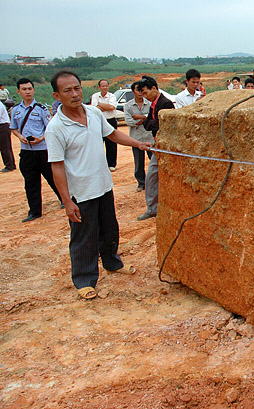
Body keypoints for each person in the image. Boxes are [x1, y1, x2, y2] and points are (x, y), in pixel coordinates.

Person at [45, 71, 151, 300]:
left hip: (103, 185)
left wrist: (138, 143)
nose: (74, 94)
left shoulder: (93, 113)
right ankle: (84, 279)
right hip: (80, 193)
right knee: (84, 236)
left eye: (77, 88)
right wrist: (66, 201)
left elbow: (113, 135)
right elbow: (57, 166)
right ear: (56, 95)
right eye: (67, 90)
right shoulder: (56, 127)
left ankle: (112, 263)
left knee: (109, 228)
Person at [10, 78, 62, 222]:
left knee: (53, 177)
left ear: (33, 90)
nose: (27, 91)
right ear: (18, 91)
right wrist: (20, 137)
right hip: (27, 151)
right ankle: (34, 211)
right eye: (24, 89)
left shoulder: (41, 109)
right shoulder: (16, 110)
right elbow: (13, 128)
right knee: (30, 182)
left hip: (42, 150)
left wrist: (40, 138)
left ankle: (64, 199)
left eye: (30, 88)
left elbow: (50, 128)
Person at [137, 75, 174, 221]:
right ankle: (154, 207)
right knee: (153, 176)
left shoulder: (165, 103)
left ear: (154, 88)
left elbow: (159, 124)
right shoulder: (155, 104)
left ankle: (154, 208)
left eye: (146, 93)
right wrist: (149, 122)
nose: (145, 97)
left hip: (165, 145)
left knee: (152, 176)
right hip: (158, 144)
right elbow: (152, 124)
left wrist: (146, 121)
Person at [123, 81, 154, 192]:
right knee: (138, 162)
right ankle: (141, 183)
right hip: (136, 138)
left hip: (150, 137)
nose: (140, 93)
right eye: (138, 90)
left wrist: (138, 117)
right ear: (133, 91)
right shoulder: (128, 105)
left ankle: (155, 182)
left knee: (154, 160)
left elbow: (153, 118)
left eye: (142, 90)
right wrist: (145, 118)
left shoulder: (150, 104)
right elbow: (129, 121)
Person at [90, 79, 118, 171]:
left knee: (112, 143)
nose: (105, 87)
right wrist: (106, 106)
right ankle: (100, 165)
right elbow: (94, 109)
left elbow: (112, 107)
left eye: (106, 85)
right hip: (98, 121)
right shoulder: (95, 96)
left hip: (110, 121)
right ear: (99, 87)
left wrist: (99, 104)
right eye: (103, 86)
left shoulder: (112, 96)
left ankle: (111, 164)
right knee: (98, 143)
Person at [0, 100, 15, 172]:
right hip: (3, 126)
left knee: (5, 147)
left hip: (3, 126)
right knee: (6, 147)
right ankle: (11, 165)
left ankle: (9, 166)